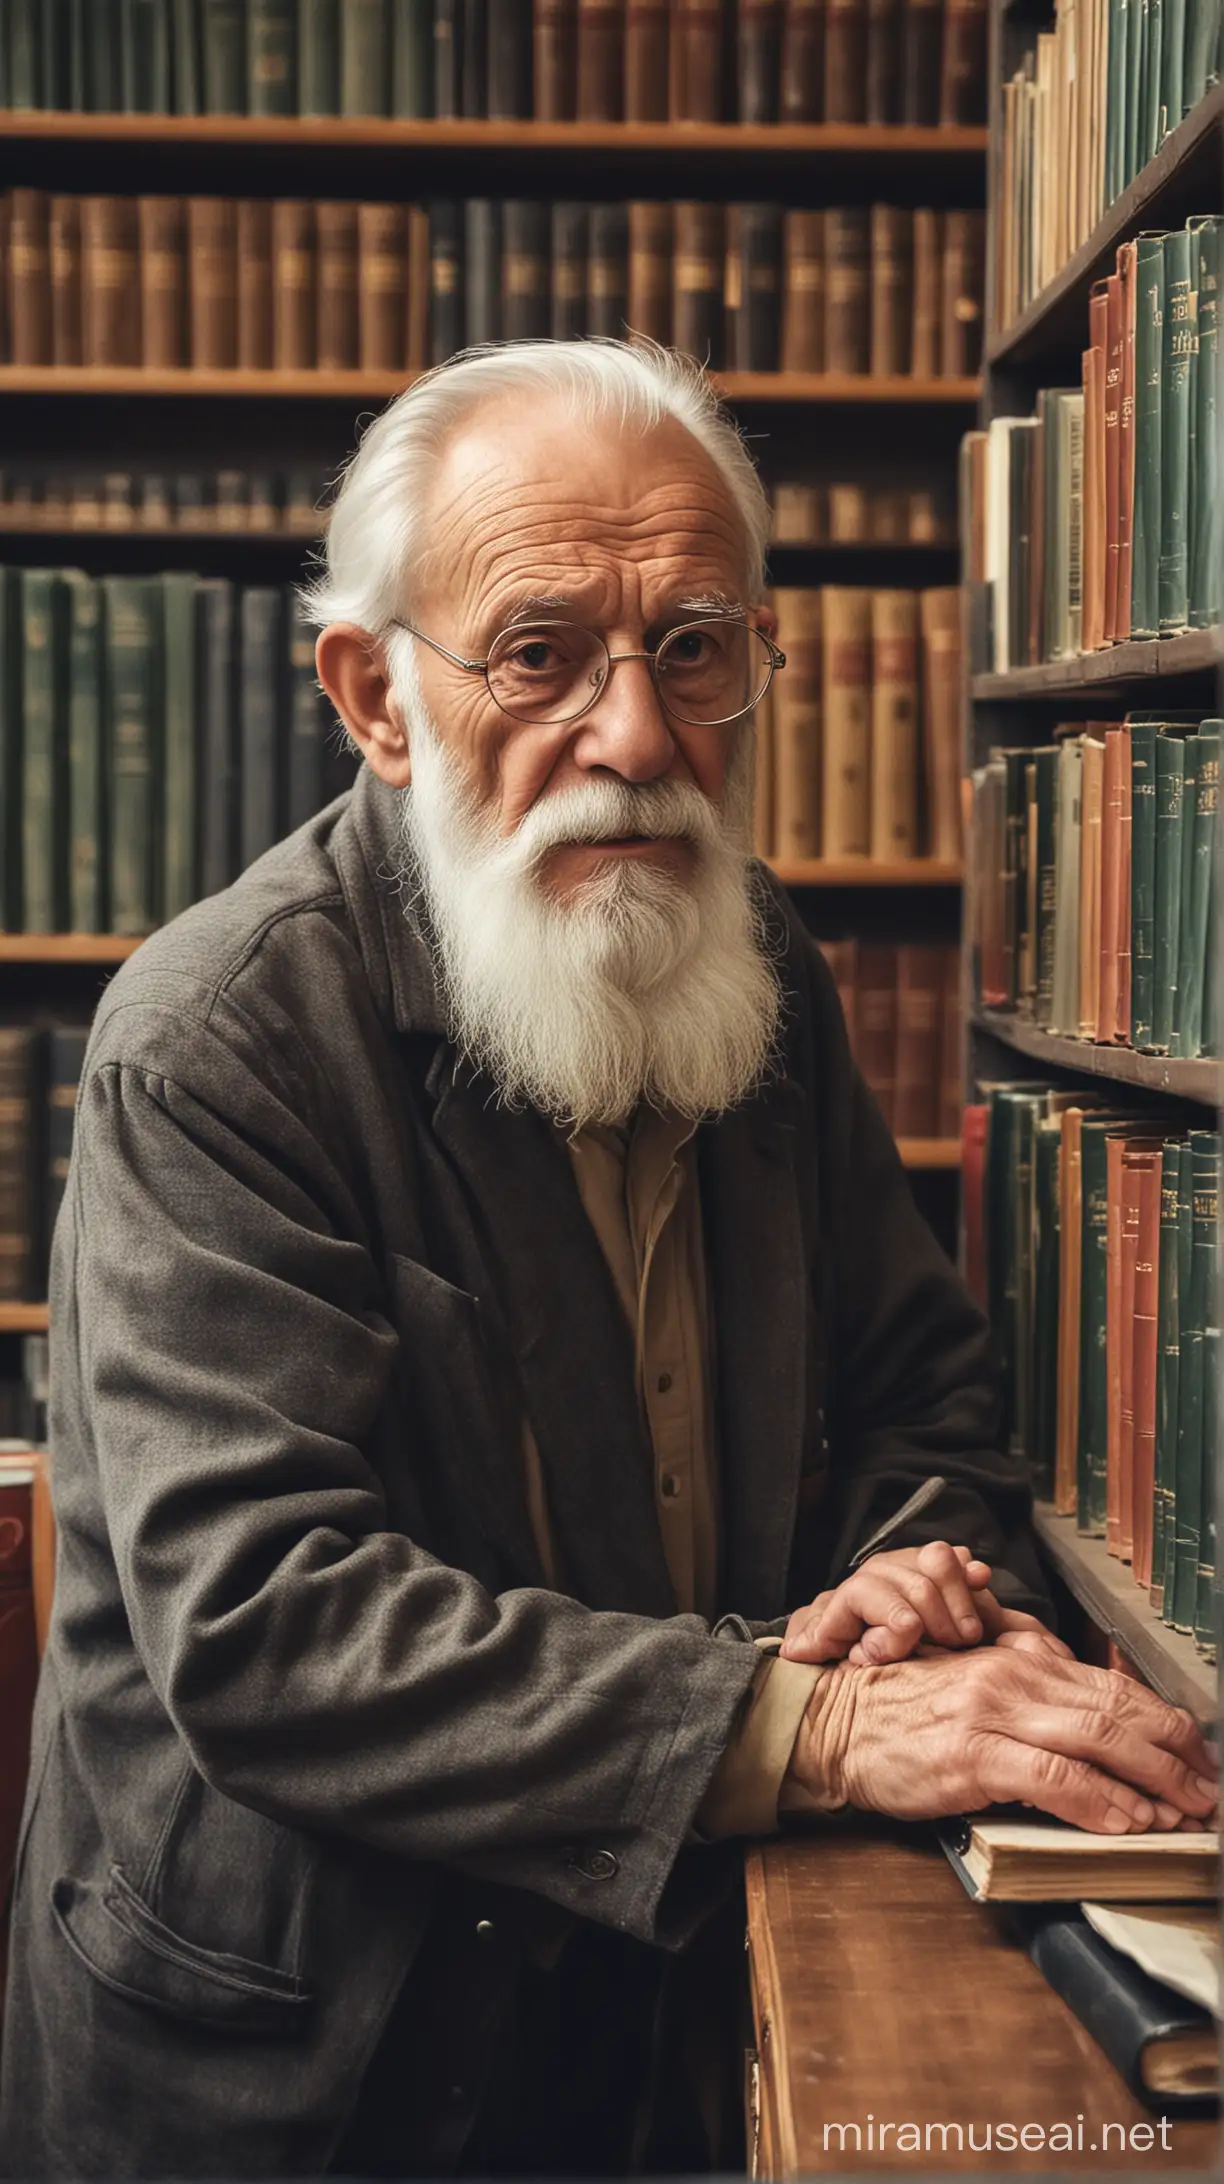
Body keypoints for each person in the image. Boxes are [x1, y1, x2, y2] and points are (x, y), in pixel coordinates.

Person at [1, 342, 1214, 2183]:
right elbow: (268, 1624)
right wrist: (818, 1722)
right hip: (304, 2069)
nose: (637, 740)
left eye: (697, 647)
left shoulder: (759, 968)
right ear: (378, 698)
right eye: (540, 653)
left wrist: (902, 1584)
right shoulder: (216, 1038)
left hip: (650, 2009)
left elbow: (919, 1389)